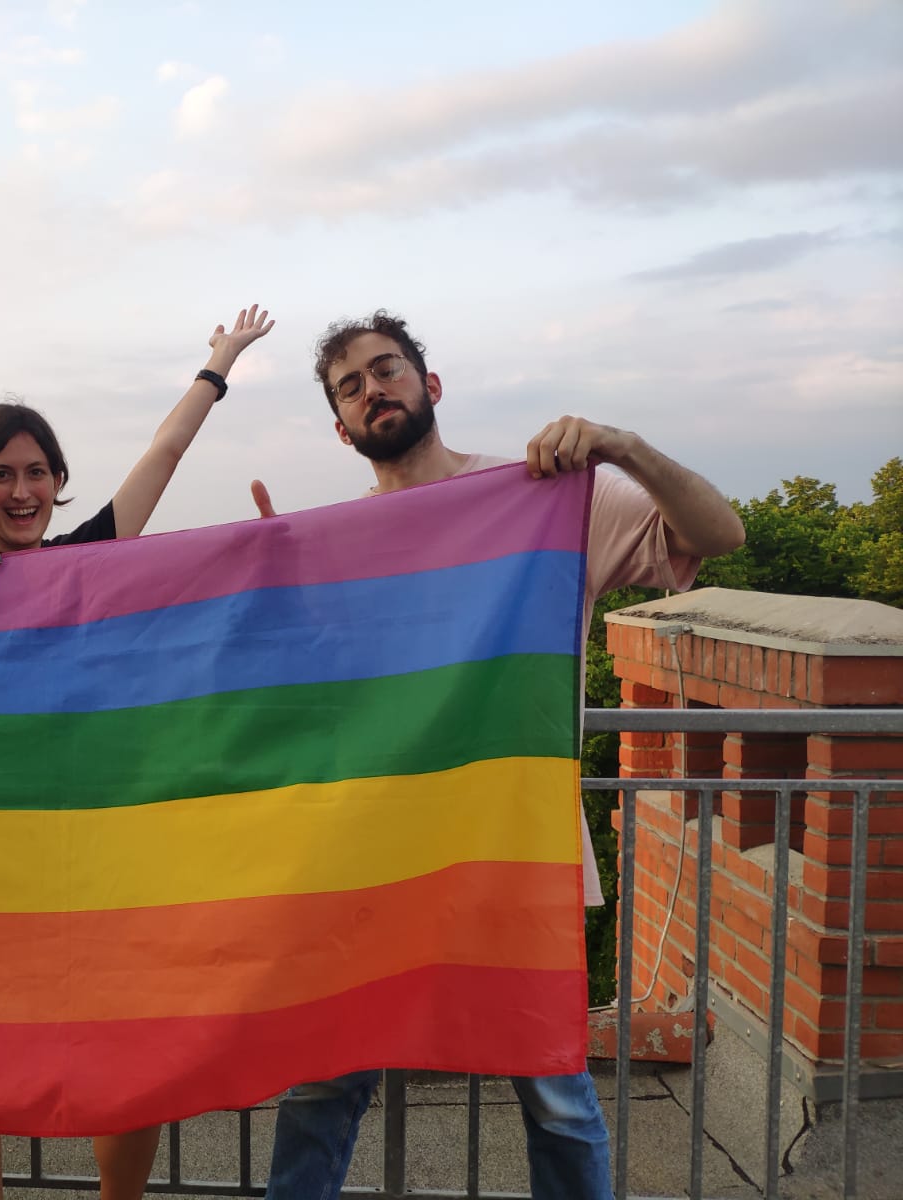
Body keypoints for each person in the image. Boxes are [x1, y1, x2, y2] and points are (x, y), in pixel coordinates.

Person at [251, 311, 744, 1200]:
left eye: (386, 369)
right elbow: (324, 700)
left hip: (515, 853)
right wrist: (274, 587)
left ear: (429, 384)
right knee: (322, 1083)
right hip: (371, 856)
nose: (372, 390)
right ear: (342, 427)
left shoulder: (542, 500)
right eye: (350, 387)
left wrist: (622, 447)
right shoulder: (335, 543)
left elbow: (718, 535)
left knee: (556, 1094)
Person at [0, 304, 275, 1200]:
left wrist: (219, 363)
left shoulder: (93, 563)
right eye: (1, 474)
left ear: (59, 482)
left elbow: (165, 453)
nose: (21, 490)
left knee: (128, 1040)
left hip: (98, 842)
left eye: (37, 471)